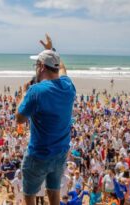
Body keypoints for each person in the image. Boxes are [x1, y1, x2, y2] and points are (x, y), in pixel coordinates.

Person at [16, 34, 75, 205]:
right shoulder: (69, 85)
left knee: (29, 195)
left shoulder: (36, 91)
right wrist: (50, 49)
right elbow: (62, 68)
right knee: (54, 191)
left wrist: (23, 93)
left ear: (41, 66)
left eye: (36, 65)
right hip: (61, 152)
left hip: (38, 155)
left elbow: (19, 118)